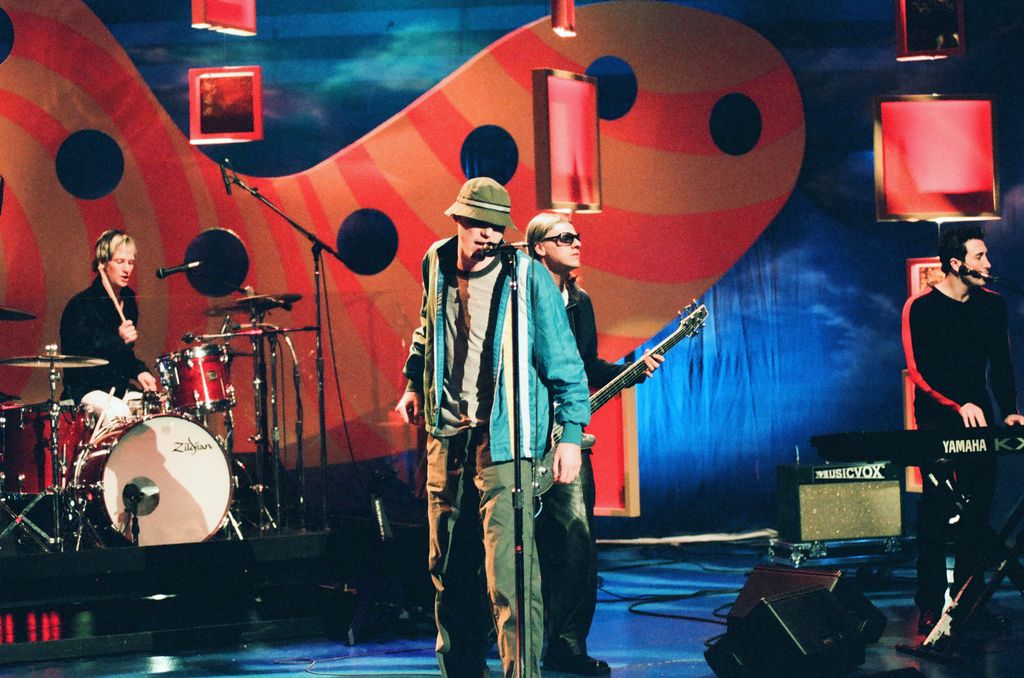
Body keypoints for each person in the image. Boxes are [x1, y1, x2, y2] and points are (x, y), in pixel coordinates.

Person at [395, 178, 591, 678]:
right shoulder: (435, 261)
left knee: (511, 575)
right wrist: (414, 383)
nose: (488, 235)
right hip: (447, 435)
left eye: (496, 226)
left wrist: (571, 433)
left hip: (506, 440)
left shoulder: (527, 276)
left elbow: (564, 361)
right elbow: (427, 324)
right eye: (478, 224)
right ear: (458, 220)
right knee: (447, 569)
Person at [526, 213, 662, 675]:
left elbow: (582, 369)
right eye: (563, 237)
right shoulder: (521, 296)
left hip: (568, 439)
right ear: (539, 247)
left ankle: (567, 646)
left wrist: (630, 371)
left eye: (577, 235)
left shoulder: (581, 302)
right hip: (524, 436)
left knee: (578, 541)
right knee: (518, 544)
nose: (575, 242)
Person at [902, 225, 1024, 635]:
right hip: (938, 418)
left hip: (979, 419)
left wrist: (1009, 411)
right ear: (956, 264)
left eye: (987, 256)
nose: (989, 264)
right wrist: (957, 404)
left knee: (977, 512)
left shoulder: (992, 306)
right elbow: (919, 372)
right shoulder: (920, 308)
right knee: (936, 512)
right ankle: (930, 606)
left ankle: (969, 604)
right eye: (980, 257)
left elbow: (1001, 363)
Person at [60, 229, 160, 403]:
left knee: (150, 406)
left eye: (130, 262)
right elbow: (81, 355)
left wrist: (140, 371)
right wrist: (118, 338)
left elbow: (123, 356)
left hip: (117, 388)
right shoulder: (81, 304)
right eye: (120, 261)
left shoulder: (128, 300)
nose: (126, 269)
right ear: (102, 263)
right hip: (85, 390)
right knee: (118, 411)